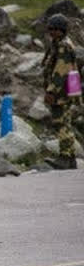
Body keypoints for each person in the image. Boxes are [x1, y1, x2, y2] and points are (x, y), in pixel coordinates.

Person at [42, 13, 79, 170]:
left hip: (61, 92)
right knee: (65, 122)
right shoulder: (58, 43)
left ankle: (65, 157)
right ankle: (70, 158)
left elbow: (61, 71)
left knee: (60, 123)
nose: (50, 32)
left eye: (53, 29)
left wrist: (51, 91)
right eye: (49, 28)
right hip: (65, 90)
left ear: (61, 30)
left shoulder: (64, 46)